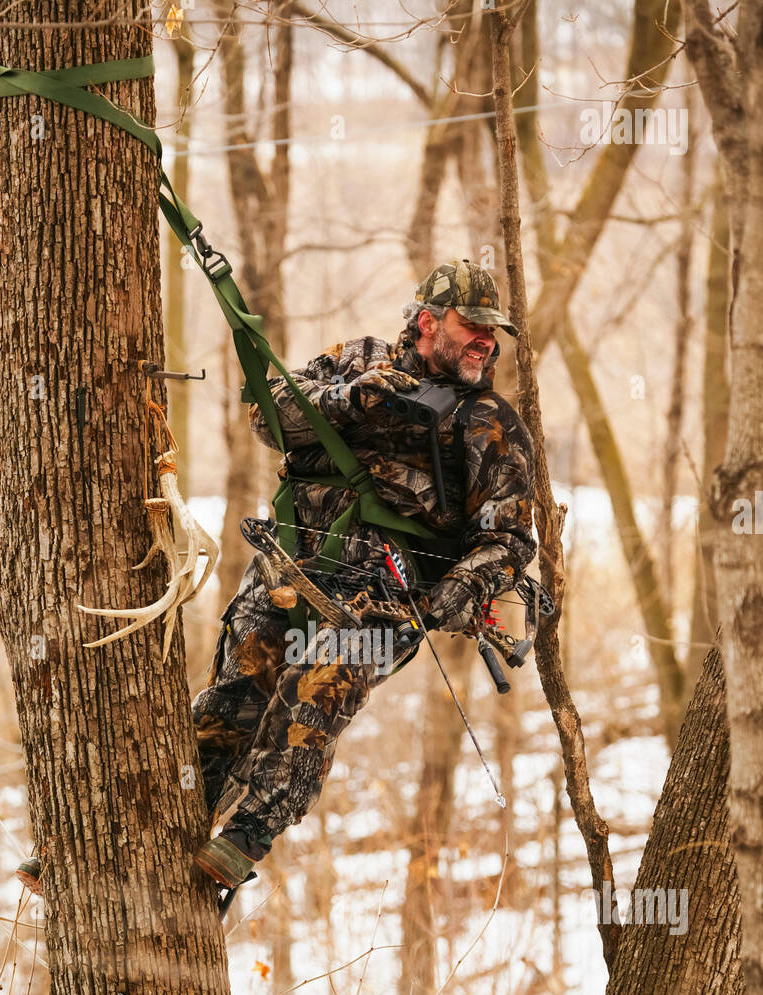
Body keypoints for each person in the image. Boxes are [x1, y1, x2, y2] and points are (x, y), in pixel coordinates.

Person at [192, 259, 537, 891]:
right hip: (290, 569)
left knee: (314, 691)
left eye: (494, 331)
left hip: (385, 601)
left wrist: (446, 598)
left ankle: (244, 840)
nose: (486, 341)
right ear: (428, 322)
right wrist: (348, 402)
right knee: (224, 711)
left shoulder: (488, 420)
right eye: (473, 326)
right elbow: (268, 421)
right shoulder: (356, 360)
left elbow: (511, 541)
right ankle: (138, 835)